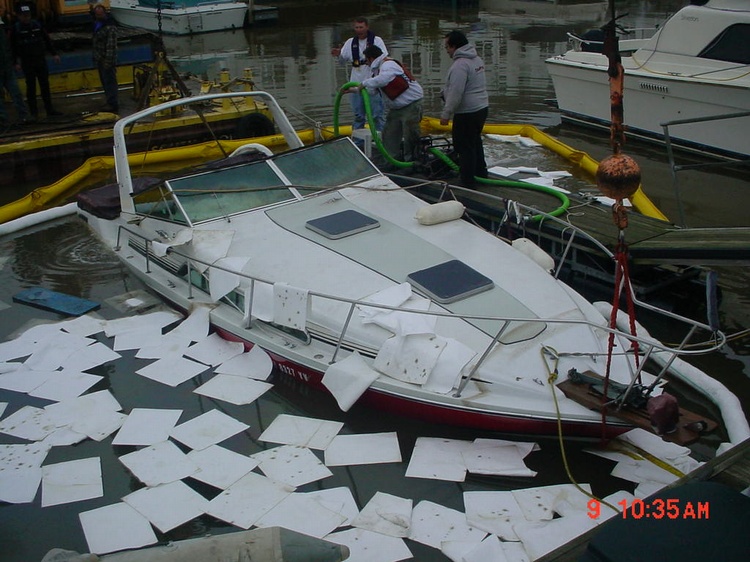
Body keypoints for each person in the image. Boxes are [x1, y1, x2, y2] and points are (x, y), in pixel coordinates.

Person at [357, 45, 423, 163]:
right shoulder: (376, 71)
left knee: (410, 135)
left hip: (411, 104)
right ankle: (392, 160)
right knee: (389, 134)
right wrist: (355, 89)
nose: (365, 63)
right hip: (396, 108)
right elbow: (372, 90)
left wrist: (365, 83)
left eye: (366, 60)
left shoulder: (388, 65)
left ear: (371, 58)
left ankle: (412, 162)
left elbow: (384, 79)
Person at [440, 30, 489, 188]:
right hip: (481, 108)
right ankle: (481, 173)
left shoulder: (460, 65)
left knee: (463, 146)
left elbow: (456, 93)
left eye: (447, 47)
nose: (446, 50)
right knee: (475, 141)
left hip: (467, 112)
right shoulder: (477, 59)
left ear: (454, 46)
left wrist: (446, 114)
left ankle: (467, 182)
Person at [331, 17, 387, 132]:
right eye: (357, 27)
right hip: (356, 82)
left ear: (367, 27)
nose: (359, 30)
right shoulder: (350, 42)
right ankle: (358, 142)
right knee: (358, 116)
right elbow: (342, 61)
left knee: (377, 116)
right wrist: (338, 55)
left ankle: (381, 141)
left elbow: (383, 58)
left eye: (361, 27)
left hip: (373, 84)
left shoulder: (377, 41)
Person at [11, 4, 62, 119]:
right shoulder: (16, 29)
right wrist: (16, 62)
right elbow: (13, 47)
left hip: (40, 60)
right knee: (31, 87)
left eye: (28, 15)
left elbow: (46, 40)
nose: (26, 18)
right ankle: (34, 113)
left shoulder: (37, 25)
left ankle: (50, 110)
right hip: (27, 62)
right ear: (19, 16)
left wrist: (54, 53)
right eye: (24, 16)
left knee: (45, 85)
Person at [0, 18, 29, 128]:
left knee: (16, 92)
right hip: (5, 68)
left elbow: (8, 49)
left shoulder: (4, 36)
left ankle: (23, 116)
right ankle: (3, 120)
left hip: (7, 67)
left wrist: (14, 62)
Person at [92, 3, 118, 113]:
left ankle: (113, 104)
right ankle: (109, 101)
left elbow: (111, 46)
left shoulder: (110, 27)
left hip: (107, 60)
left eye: (100, 14)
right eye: (96, 14)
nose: (98, 16)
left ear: (104, 13)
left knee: (110, 82)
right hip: (100, 58)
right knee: (105, 82)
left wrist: (108, 62)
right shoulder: (98, 24)